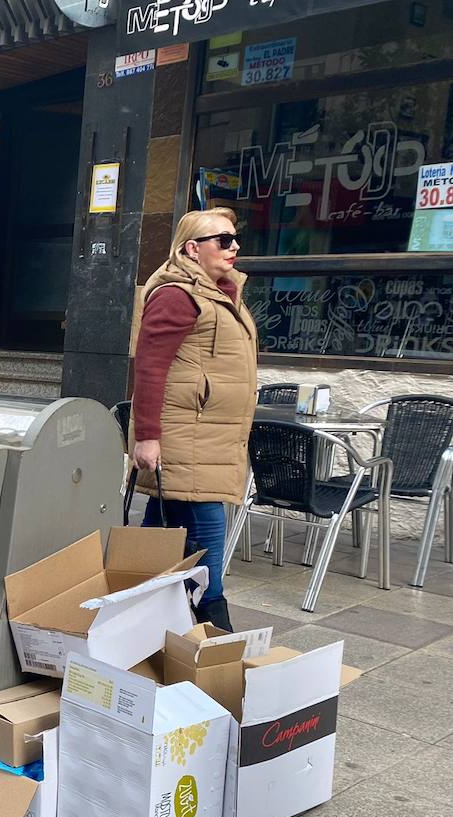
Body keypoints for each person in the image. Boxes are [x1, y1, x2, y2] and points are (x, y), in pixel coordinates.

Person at [130, 207, 257, 632]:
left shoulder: (221, 292)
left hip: (210, 437)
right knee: (206, 533)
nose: (234, 246)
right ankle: (214, 630)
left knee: (161, 535)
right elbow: (149, 368)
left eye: (235, 238)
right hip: (187, 437)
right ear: (192, 248)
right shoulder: (176, 294)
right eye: (223, 240)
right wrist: (146, 436)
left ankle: (144, 617)